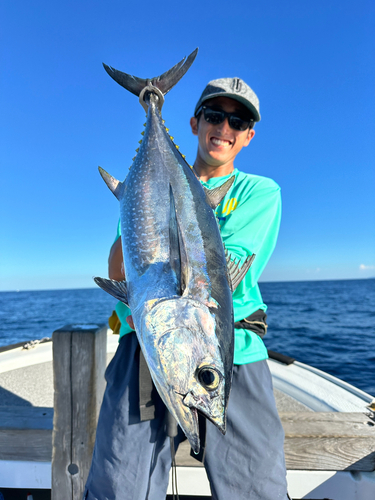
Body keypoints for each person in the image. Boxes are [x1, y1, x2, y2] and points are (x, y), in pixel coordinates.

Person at [84, 78, 289, 499]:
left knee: (255, 489)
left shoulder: (259, 193)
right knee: (118, 487)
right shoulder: (146, 191)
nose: (224, 127)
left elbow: (217, 264)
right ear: (195, 123)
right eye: (215, 116)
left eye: (238, 120)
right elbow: (119, 269)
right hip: (142, 348)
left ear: (249, 136)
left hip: (224, 358)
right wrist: (138, 208)